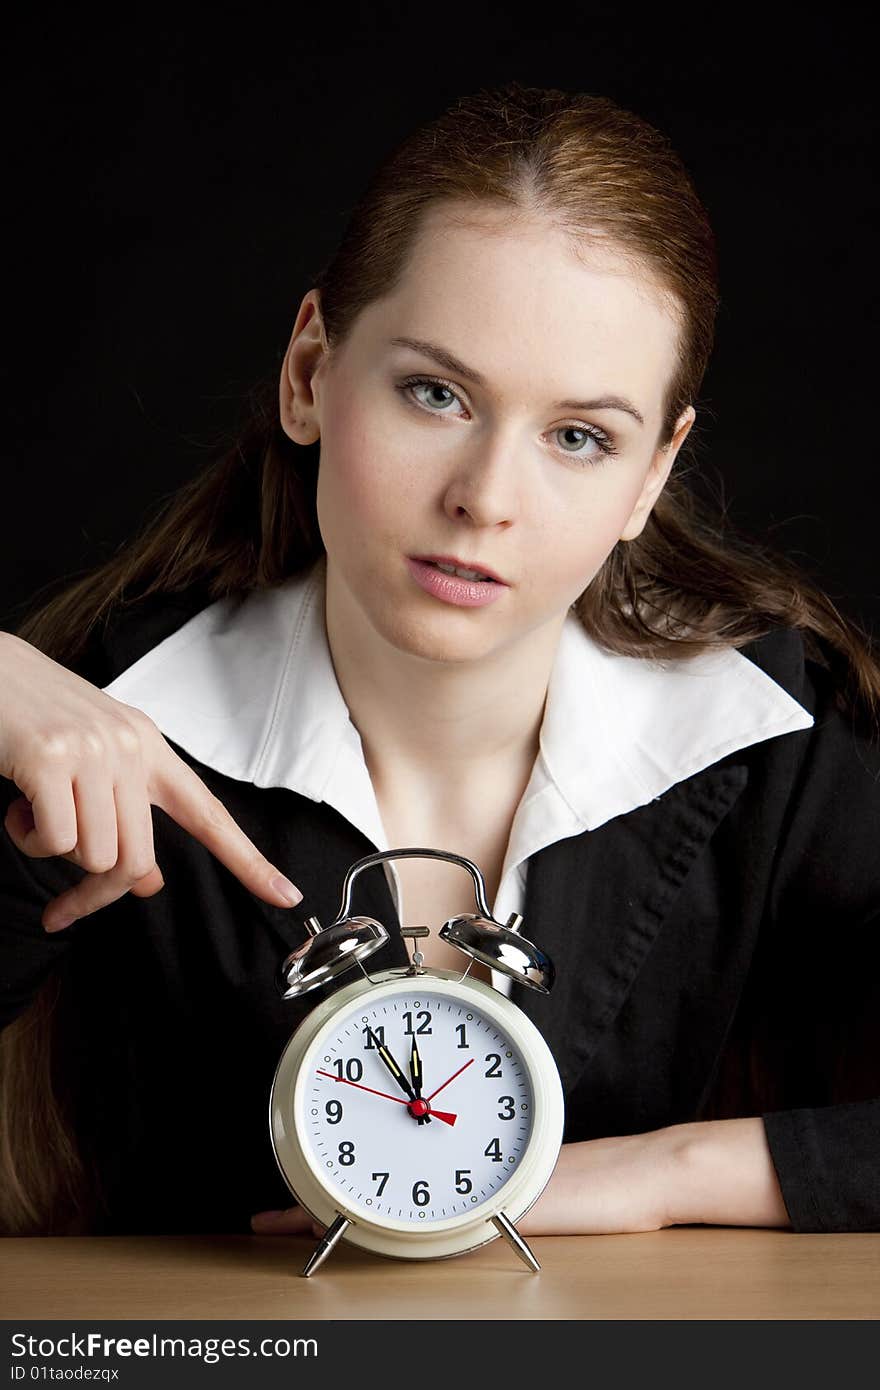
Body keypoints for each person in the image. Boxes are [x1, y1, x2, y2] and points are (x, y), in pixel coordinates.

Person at [1, 82, 878, 1241]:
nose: (484, 499)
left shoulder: (771, 739)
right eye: (436, 393)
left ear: (653, 475)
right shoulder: (108, 713)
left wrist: (661, 1176)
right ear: (309, 374)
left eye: (579, 437)